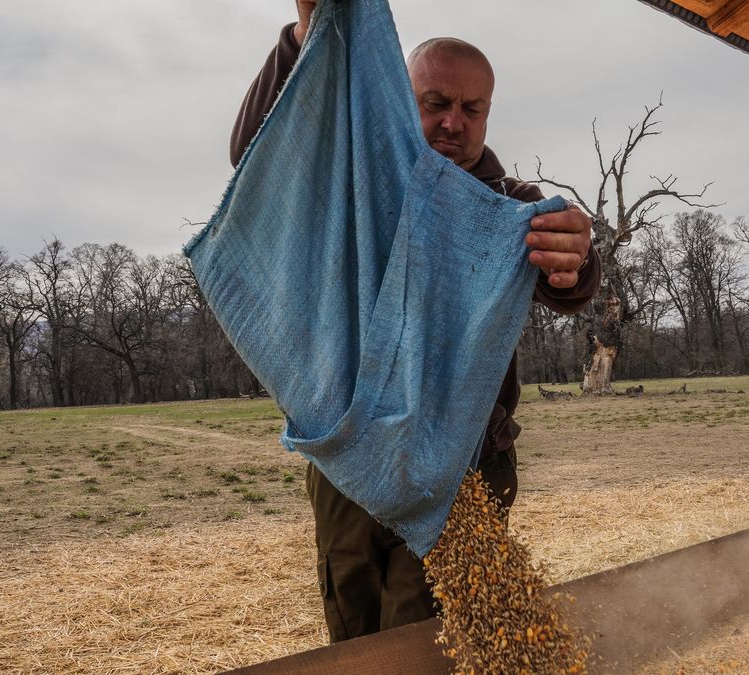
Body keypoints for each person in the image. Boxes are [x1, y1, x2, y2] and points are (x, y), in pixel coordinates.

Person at [228, 1, 601, 643]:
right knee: (353, 622)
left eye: (471, 109)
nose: (453, 123)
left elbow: (567, 278)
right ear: (402, 97)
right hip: (348, 455)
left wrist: (577, 260)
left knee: (431, 634)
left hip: (463, 467)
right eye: (434, 102)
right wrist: (305, 37)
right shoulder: (353, 185)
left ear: (488, 113)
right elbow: (255, 153)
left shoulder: (508, 207)